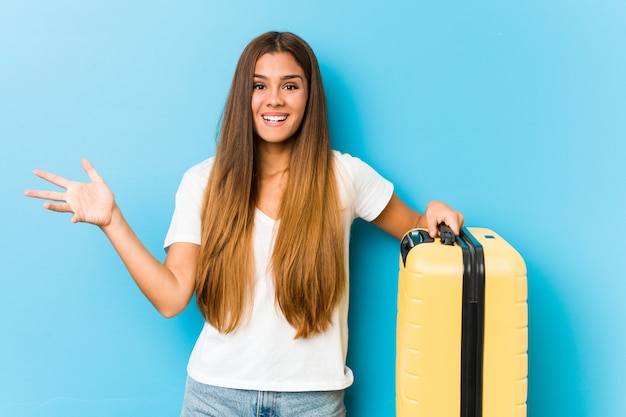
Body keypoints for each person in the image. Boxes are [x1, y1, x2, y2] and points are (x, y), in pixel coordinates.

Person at [24, 31, 464, 417]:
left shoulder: (345, 177)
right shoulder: (203, 181)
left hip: (313, 400)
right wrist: (112, 221)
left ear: (309, 97)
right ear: (244, 96)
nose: (274, 99)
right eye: (260, 86)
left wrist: (435, 211)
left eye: (290, 86)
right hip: (214, 397)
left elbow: (418, 228)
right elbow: (172, 296)